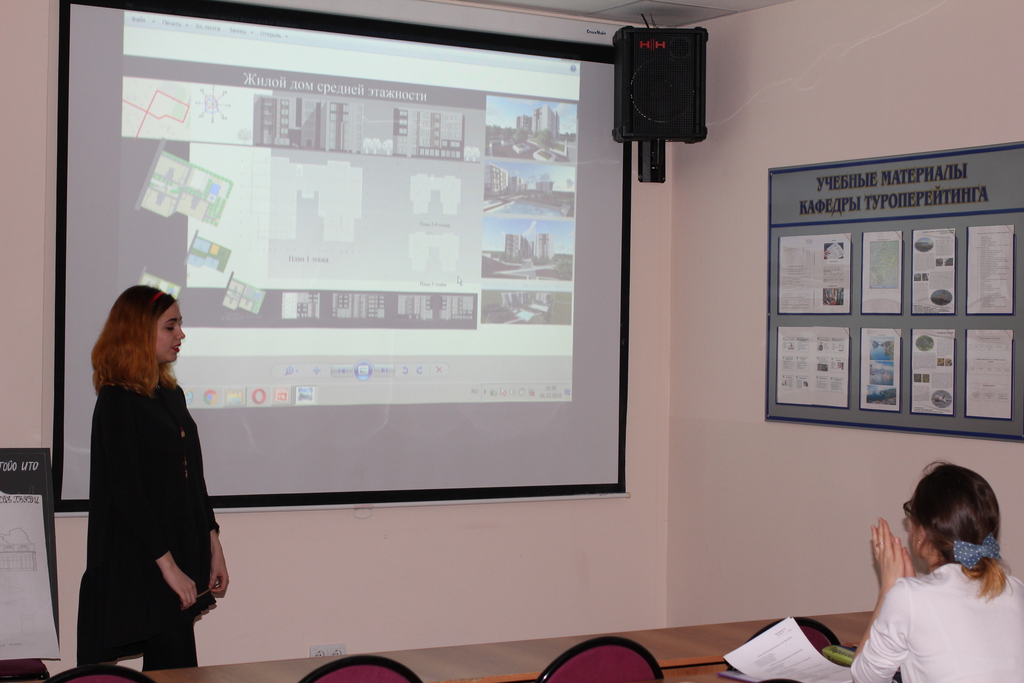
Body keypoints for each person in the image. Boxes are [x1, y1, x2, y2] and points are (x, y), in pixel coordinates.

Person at [77, 286, 228, 670]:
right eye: (170, 326)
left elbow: (193, 477)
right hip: (139, 559)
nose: (181, 334)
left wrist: (212, 542)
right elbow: (127, 492)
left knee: (176, 670)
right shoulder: (117, 400)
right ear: (139, 332)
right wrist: (168, 567)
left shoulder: (170, 394)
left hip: (177, 551)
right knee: (104, 672)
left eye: (179, 325)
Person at [851, 462, 1024, 683]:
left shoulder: (908, 598)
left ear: (923, 532)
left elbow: (864, 679)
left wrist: (888, 589)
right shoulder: (1015, 589)